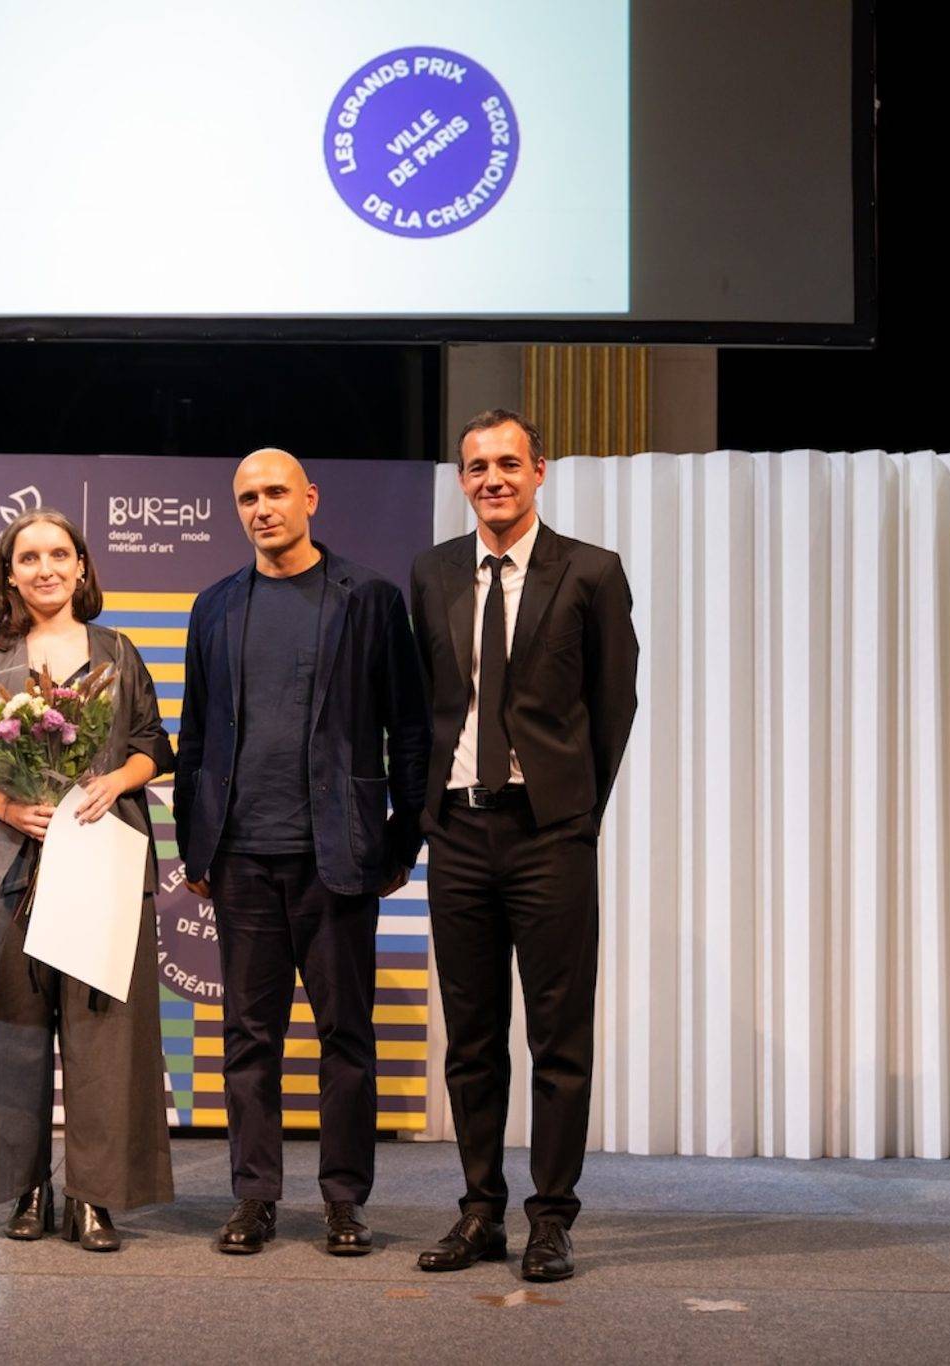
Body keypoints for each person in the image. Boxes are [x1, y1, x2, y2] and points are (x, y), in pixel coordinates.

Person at [174, 447, 430, 1257]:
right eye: (247, 496)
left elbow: (410, 731)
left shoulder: (371, 599)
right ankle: (255, 1197)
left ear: (310, 498)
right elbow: (197, 737)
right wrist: (195, 847)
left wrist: (401, 837)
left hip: (337, 857)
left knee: (345, 1038)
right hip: (242, 857)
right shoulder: (214, 606)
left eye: (276, 492)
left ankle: (344, 1200)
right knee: (249, 1040)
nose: (262, 507)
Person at [409, 409, 639, 1282]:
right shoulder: (431, 573)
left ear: (540, 471)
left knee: (557, 1037)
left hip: (550, 836)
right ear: (461, 479)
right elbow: (424, 707)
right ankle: (480, 1212)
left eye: (509, 463)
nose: (493, 479)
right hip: (459, 831)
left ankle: (551, 1217)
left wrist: (573, 810)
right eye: (476, 467)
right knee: (470, 1038)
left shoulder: (590, 570)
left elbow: (614, 705)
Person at [0, 509, 175, 1252]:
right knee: (8, 1033)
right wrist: (9, 804)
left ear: (82, 567)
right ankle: (27, 1189)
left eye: (58, 554)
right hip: (2, 864)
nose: (44, 568)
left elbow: (152, 747)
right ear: (9, 573)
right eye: (28, 556)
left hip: (99, 862)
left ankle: (95, 1198)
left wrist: (115, 785)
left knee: (105, 1035)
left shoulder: (118, 651)